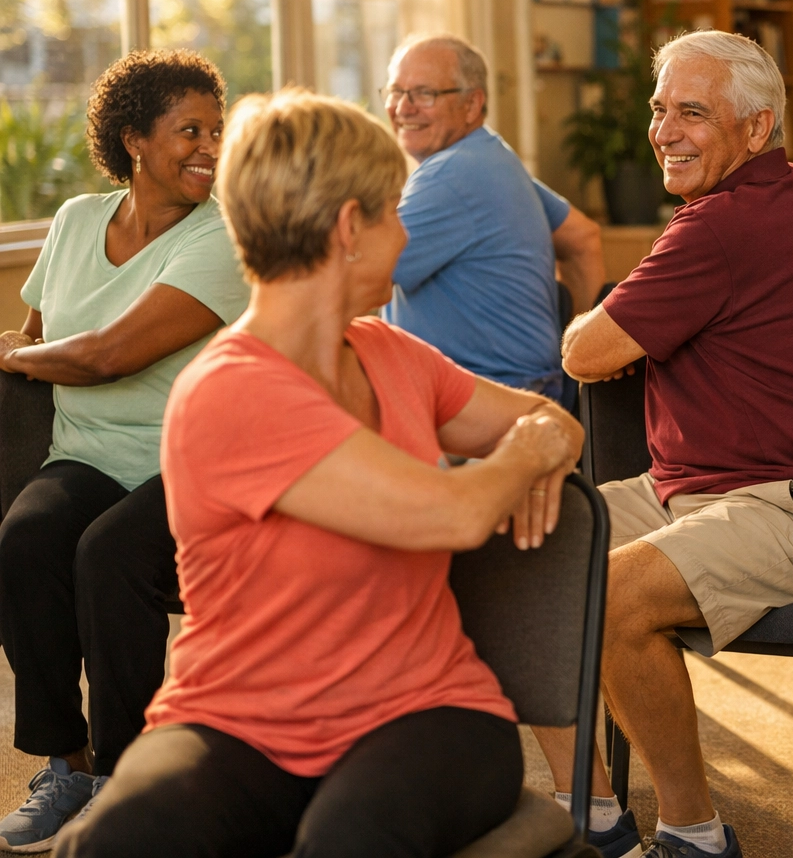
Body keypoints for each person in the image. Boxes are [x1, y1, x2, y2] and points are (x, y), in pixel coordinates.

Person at [54, 89, 585, 858]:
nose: (405, 236)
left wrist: (545, 440)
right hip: (233, 721)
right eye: (395, 213)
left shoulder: (393, 353)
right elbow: (459, 509)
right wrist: (529, 457)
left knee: (350, 841)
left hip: (429, 712)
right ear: (349, 229)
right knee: (120, 840)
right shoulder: (232, 389)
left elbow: (552, 419)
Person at [539, 30, 793, 858]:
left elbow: (583, 354)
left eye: (693, 113)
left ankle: (694, 837)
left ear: (756, 129)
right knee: (524, 539)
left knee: (612, 594)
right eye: (660, 110)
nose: (665, 131)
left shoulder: (715, 228)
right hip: (694, 492)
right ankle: (591, 811)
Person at [0, 49, 249, 852]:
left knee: (110, 556)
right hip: (84, 454)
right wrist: (28, 351)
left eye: (218, 128)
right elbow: (44, 332)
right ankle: (65, 765)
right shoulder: (75, 220)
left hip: (189, 462)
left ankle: (124, 774)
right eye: (189, 130)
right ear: (134, 138)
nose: (210, 146)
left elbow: (107, 353)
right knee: (27, 541)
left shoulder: (224, 238)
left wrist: (13, 355)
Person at [380, 33, 605, 398]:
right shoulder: (490, 158)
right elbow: (582, 236)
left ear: (472, 105)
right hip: (531, 394)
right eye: (395, 91)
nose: (403, 108)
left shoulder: (449, 175)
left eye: (424, 94)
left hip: (491, 405)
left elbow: (358, 267)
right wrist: (581, 378)